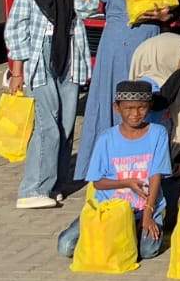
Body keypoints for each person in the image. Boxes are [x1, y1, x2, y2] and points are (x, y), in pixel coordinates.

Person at [73, 0, 168, 180]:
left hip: (149, 42)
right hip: (118, 46)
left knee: (146, 104)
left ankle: (143, 166)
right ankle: (107, 169)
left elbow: (175, 5)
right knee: (115, 101)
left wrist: (164, 16)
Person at [5, 0, 96, 209]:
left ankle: (55, 184)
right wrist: (17, 73)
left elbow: (89, 9)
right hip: (39, 59)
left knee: (66, 124)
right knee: (48, 126)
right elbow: (16, 31)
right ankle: (32, 188)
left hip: (70, 56)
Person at [58, 80, 170, 261]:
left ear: (149, 107)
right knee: (66, 246)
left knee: (148, 251)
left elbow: (156, 175)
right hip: (109, 209)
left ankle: (129, 233)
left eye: (141, 108)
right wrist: (126, 183)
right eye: (128, 108)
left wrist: (148, 214)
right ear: (117, 108)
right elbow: (98, 182)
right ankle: (115, 236)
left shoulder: (158, 133)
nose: (135, 114)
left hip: (143, 208)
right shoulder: (106, 138)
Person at [128, 32, 180, 166]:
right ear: (165, 57)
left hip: (171, 156)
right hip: (143, 160)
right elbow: (160, 101)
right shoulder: (143, 85)